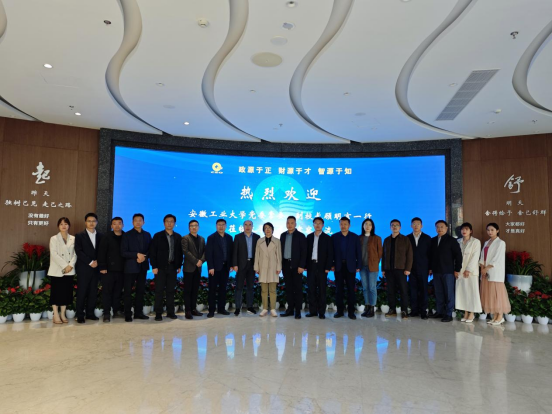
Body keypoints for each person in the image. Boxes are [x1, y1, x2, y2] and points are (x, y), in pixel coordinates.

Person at [150, 214, 183, 321]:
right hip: (160, 268)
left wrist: (179, 265)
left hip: (172, 267)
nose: (169, 223)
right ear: (164, 223)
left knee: (170, 291)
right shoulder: (157, 236)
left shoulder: (178, 237)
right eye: (167, 221)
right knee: (159, 291)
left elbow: (179, 253)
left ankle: (170, 312)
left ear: (174, 223)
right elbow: (153, 252)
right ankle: (158, 313)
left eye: (171, 221)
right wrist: (154, 266)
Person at [428, 220, 462, 322]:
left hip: (448, 271)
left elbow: (458, 256)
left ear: (446, 228)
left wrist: (457, 269)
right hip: (436, 271)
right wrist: (430, 268)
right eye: (437, 227)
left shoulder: (452, 240)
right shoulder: (433, 240)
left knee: (449, 293)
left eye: (442, 227)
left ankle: (448, 314)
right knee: (439, 292)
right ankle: (440, 312)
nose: (439, 229)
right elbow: (430, 256)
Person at [121, 213, 152, 322]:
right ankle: (128, 314)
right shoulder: (127, 235)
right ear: (132, 222)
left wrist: (144, 257)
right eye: (136, 220)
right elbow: (123, 252)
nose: (138, 222)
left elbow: (150, 249)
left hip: (143, 267)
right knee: (128, 292)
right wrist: (136, 255)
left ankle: (138, 313)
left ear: (143, 222)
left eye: (140, 220)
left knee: (140, 291)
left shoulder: (147, 235)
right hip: (130, 267)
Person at [74, 213, 103, 324]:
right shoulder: (79, 236)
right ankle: (80, 315)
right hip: (84, 268)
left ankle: (90, 314)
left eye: (93, 221)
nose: (91, 223)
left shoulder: (101, 236)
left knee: (93, 292)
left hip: (96, 268)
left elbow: (103, 251)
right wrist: (90, 262)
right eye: (89, 221)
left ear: (97, 222)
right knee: (82, 292)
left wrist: (98, 262)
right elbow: (79, 251)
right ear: (85, 222)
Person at [479, 223, 510, 325]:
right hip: (485, 271)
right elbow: (482, 257)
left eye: (492, 230)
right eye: (488, 230)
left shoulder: (501, 243)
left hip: (495, 271)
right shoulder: (486, 242)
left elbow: (497, 258)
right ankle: (495, 317)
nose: (490, 232)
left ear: (497, 230)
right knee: (490, 295)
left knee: (497, 294)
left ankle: (500, 316)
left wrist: (486, 268)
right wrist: (482, 269)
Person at [382, 219, 413, 319]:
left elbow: (409, 255)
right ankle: (392, 309)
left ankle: (404, 310)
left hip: (401, 269)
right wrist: (383, 269)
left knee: (403, 290)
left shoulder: (405, 239)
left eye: (397, 225)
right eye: (392, 225)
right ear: (390, 227)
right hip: (389, 270)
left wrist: (408, 268)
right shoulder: (386, 240)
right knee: (390, 291)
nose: (394, 227)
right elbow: (384, 255)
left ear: (400, 227)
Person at [331, 217, 361, 320]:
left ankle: (351, 312)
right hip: (338, 266)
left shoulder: (355, 237)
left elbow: (358, 252)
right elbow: (331, 253)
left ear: (349, 225)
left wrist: (358, 265)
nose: (343, 226)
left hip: (351, 267)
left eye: (345, 224)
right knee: (338, 290)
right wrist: (332, 264)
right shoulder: (334, 237)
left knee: (351, 290)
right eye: (341, 224)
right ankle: (339, 311)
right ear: (339, 225)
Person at [48, 217, 76, 325]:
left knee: (66, 293)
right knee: (56, 293)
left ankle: (63, 314)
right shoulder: (54, 238)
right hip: (57, 269)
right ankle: (55, 314)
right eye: (61, 224)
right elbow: (54, 254)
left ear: (69, 225)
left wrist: (70, 265)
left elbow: (75, 254)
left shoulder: (73, 238)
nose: (63, 226)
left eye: (66, 224)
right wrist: (65, 266)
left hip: (70, 270)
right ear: (58, 226)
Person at [98, 217, 125, 322]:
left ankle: (116, 311)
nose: (117, 226)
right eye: (114, 224)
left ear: (123, 225)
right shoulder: (106, 237)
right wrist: (102, 267)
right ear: (111, 226)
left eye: (119, 223)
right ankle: (106, 313)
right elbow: (101, 252)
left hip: (122, 269)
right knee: (107, 292)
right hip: (108, 270)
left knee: (118, 292)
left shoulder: (126, 236)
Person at [205, 219, 234, 318]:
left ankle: (221, 309)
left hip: (225, 267)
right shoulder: (211, 238)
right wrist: (210, 267)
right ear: (216, 226)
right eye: (219, 225)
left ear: (226, 226)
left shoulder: (229, 237)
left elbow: (231, 253)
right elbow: (208, 254)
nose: (221, 227)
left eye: (223, 225)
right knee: (212, 289)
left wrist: (231, 264)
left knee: (223, 289)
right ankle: (211, 310)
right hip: (214, 268)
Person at [280, 216, 307, 319]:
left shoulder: (301, 236)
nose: (290, 225)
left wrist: (301, 266)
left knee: (298, 289)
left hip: (297, 266)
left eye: (292, 223)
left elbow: (304, 252)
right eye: (288, 223)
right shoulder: (283, 235)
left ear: (295, 224)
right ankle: (290, 309)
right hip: (286, 265)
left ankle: (298, 311)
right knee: (289, 289)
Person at [306, 217, 334, 319]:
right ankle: (313, 311)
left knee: (322, 290)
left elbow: (330, 254)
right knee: (311, 289)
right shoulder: (309, 237)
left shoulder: (327, 238)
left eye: (319, 223)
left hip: (322, 267)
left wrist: (328, 267)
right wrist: (305, 265)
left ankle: (321, 312)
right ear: (313, 225)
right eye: (315, 223)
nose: (317, 225)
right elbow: (306, 252)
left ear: (323, 225)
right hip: (311, 266)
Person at [232, 220, 260, 316]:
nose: (248, 227)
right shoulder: (238, 237)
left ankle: (250, 307)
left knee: (250, 287)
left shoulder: (257, 237)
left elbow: (259, 253)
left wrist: (258, 265)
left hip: (252, 264)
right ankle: (237, 308)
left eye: (250, 225)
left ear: (252, 226)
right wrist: (235, 264)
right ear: (243, 226)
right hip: (240, 265)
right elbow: (235, 252)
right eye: (246, 225)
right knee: (239, 287)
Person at [254, 222, 282, 317]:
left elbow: (279, 255)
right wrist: (256, 267)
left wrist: (279, 267)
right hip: (262, 267)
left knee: (273, 290)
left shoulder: (277, 241)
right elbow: (257, 255)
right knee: (264, 290)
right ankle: (265, 309)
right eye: (265, 228)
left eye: (269, 227)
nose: (268, 229)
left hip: (273, 268)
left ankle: (273, 309)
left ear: (272, 229)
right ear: (263, 230)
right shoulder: (259, 241)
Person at [456, 222, 482, 323]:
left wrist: (468, 269)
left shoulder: (476, 242)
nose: (464, 231)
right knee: (462, 292)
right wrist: (456, 269)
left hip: (471, 272)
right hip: (460, 271)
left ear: (471, 231)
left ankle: (472, 313)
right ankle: (465, 313)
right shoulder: (458, 241)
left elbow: (475, 257)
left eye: (466, 229)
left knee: (472, 292)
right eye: (462, 229)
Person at [407, 217, 432, 319]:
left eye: (418, 224)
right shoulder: (407, 238)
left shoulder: (427, 238)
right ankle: (414, 310)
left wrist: (430, 268)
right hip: (411, 268)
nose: (416, 226)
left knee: (423, 290)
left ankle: (423, 311)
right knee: (413, 290)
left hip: (423, 268)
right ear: (411, 226)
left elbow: (430, 254)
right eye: (414, 224)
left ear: (421, 226)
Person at [181, 220, 206, 320]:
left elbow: (205, 252)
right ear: (189, 227)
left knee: (195, 290)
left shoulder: (202, 239)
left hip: (198, 268)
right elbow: (185, 252)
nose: (194, 227)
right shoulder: (185, 238)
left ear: (198, 227)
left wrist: (201, 261)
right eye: (192, 226)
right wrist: (196, 261)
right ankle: (187, 311)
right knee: (188, 290)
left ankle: (193, 309)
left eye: (196, 226)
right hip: (189, 268)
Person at [358, 218, 382, 318]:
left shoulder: (377, 238)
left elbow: (380, 253)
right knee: (365, 287)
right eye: (366, 224)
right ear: (363, 226)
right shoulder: (359, 238)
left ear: (372, 227)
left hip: (372, 266)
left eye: (369, 224)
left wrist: (375, 262)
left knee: (372, 287)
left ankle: (372, 308)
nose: (367, 226)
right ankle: (367, 307)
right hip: (362, 266)